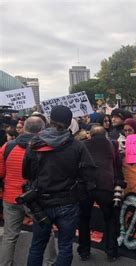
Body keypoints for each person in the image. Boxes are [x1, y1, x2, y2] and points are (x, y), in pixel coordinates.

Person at [22, 105, 96, 265]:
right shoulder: (77, 146)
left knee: (37, 246)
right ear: (69, 123)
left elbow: (26, 174)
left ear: (50, 121)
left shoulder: (34, 145)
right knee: (65, 246)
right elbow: (89, 174)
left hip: (41, 203)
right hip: (67, 203)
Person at [0, 117, 57, 266]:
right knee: (46, 231)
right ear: (42, 130)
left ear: (24, 128)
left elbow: (0, 172)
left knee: (10, 235)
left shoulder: (7, 147)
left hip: (11, 197)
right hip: (36, 199)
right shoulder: (46, 147)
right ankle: (50, 262)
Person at [78, 126, 124, 261]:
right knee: (110, 219)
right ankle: (111, 251)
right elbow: (117, 165)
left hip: (85, 186)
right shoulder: (112, 144)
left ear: (90, 135)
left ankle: (84, 251)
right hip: (106, 185)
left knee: (84, 219)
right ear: (105, 135)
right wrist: (119, 183)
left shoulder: (82, 145)